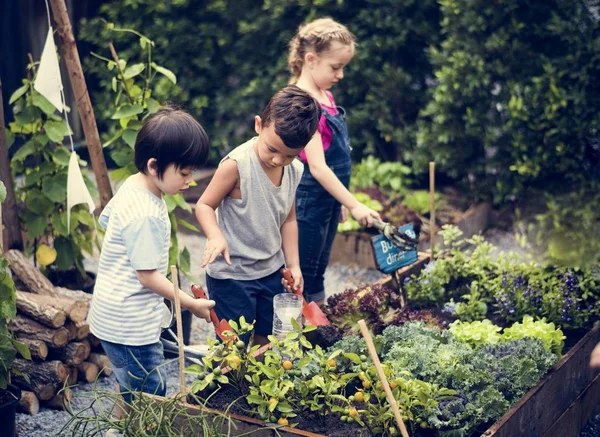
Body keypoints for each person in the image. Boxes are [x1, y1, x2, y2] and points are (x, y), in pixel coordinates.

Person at [87, 106, 215, 411]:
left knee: (130, 382)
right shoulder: (145, 214)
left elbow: (108, 223)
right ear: (154, 165)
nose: (190, 179)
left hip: (113, 312)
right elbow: (147, 275)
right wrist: (191, 302)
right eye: (184, 172)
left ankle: (117, 428)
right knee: (151, 390)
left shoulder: (133, 185)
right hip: (129, 324)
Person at [196, 85, 321, 346]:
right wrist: (215, 235)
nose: (278, 161)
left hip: (270, 271)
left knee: (268, 338)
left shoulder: (295, 170)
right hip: (232, 276)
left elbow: (289, 219)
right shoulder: (236, 165)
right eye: (272, 149)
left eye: (289, 155)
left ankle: (262, 386)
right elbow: (204, 205)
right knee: (234, 346)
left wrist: (294, 265)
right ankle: (232, 386)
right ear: (258, 125)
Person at [288, 18, 382, 306]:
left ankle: (315, 325)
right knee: (303, 271)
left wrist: (338, 201)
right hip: (308, 201)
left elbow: (332, 155)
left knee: (318, 267)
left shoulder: (324, 95)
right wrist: (354, 204)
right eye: (335, 67)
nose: (340, 75)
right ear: (310, 59)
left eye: (343, 67)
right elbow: (317, 167)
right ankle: (296, 331)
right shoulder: (304, 104)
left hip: (326, 198)